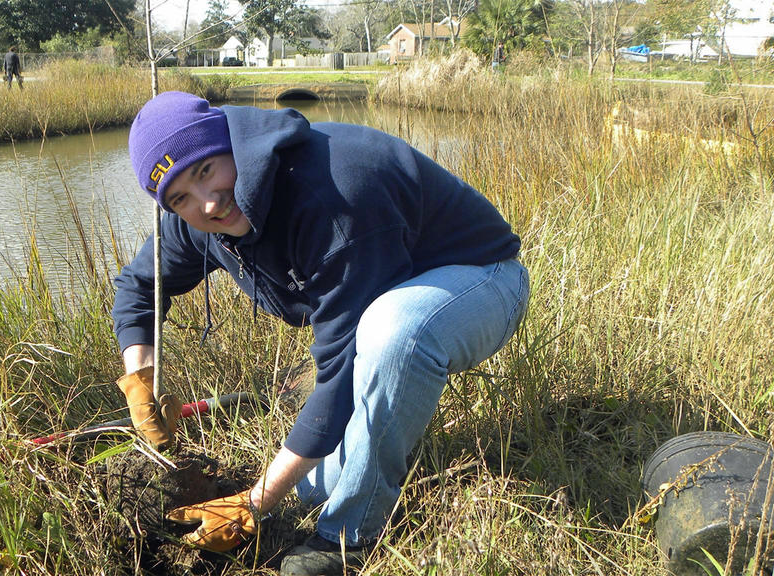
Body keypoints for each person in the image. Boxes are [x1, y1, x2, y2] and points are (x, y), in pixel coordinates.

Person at [111, 91, 529, 576]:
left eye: (206, 170)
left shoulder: (331, 192)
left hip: (483, 281)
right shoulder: (199, 220)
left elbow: (341, 369)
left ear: (230, 144)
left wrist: (254, 502)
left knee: (395, 333)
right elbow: (139, 285)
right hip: (384, 290)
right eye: (179, 197)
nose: (207, 202)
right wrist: (140, 378)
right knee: (311, 482)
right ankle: (337, 473)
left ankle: (349, 535)